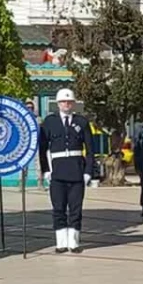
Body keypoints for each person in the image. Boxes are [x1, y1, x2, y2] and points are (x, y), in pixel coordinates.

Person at [37, 88, 94, 253]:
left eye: (69, 102)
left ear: (73, 103)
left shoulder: (81, 122)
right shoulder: (49, 122)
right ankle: (61, 242)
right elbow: (42, 149)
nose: (66, 105)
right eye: (63, 102)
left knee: (76, 208)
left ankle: (74, 242)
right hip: (57, 171)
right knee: (59, 208)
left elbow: (90, 150)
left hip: (77, 171)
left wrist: (88, 172)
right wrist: (46, 170)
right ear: (58, 104)